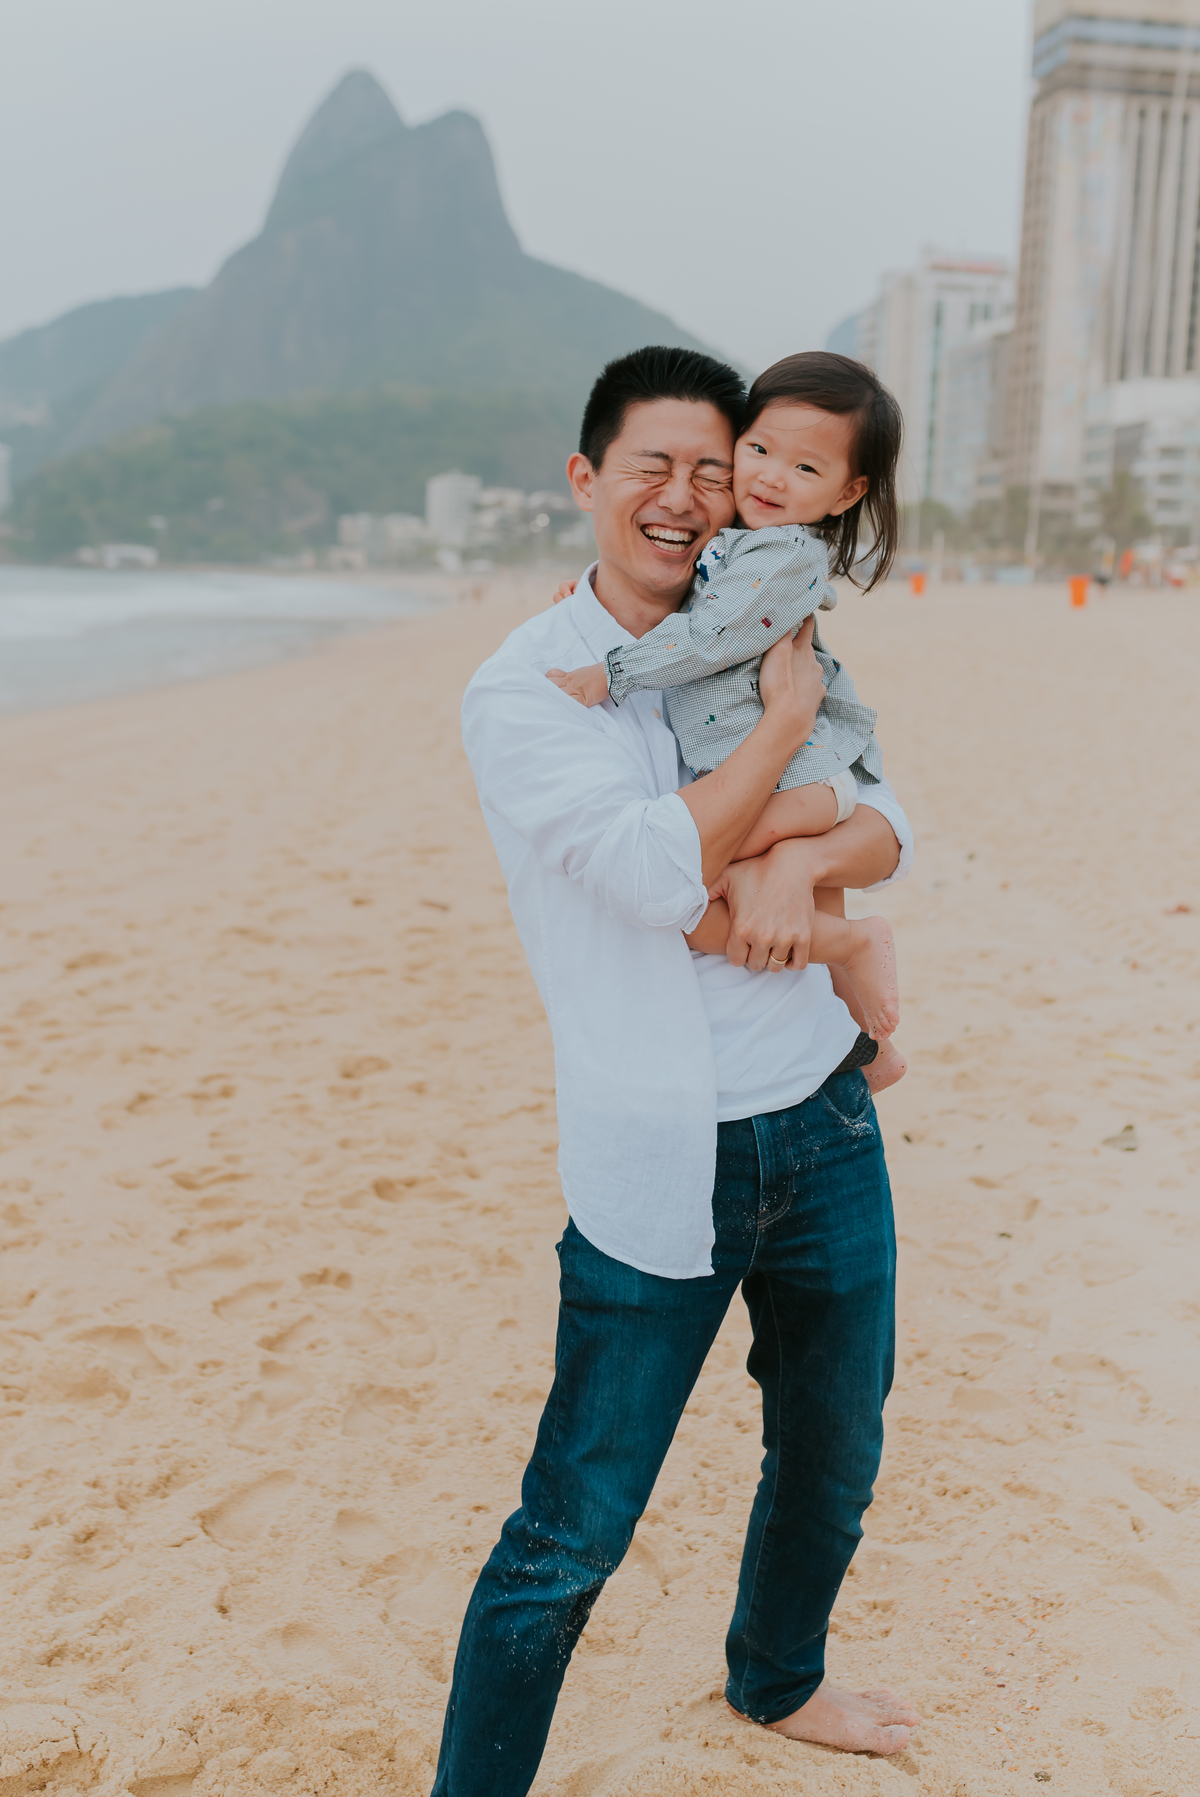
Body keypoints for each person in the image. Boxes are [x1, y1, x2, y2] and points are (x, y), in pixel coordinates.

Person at [438, 345, 920, 1797]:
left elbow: (894, 810)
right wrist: (782, 757)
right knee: (571, 1528)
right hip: (663, 1144)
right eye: (654, 465)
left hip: (826, 1111)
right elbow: (654, 869)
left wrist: (813, 871)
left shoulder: (761, 599)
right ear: (587, 478)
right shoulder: (526, 689)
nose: (691, 494)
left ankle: (776, 1676)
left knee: (833, 1448)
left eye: (716, 468)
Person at [546, 350, 906, 1077]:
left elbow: (888, 830)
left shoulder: (778, 559)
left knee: (710, 871)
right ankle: (870, 1050)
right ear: (586, 480)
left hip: (810, 776)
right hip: (799, 774)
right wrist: (585, 614)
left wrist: (609, 671)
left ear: (847, 491)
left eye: (806, 468)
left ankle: (860, 984)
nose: (771, 476)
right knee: (766, 877)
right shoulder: (728, 550)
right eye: (759, 452)